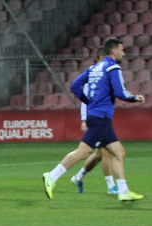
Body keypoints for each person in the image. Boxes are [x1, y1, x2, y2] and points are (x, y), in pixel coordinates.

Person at [42, 37, 145, 202]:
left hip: (96, 115)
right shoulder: (113, 68)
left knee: (118, 152)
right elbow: (120, 93)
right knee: (83, 152)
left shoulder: (94, 68)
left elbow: (75, 86)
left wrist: (89, 101)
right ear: (113, 51)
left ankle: (124, 191)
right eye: (121, 49)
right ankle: (52, 176)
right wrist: (135, 98)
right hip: (101, 117)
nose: (123, 53)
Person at [70, 49, 117, 195]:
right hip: (93, 118)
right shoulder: (93, 74)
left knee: (98, 154)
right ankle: (111, 186)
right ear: (101, 57)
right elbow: (85, 100)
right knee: (106, 152)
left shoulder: (102, 74)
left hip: (100, 117)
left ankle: (79, 177)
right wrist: (84, 120)